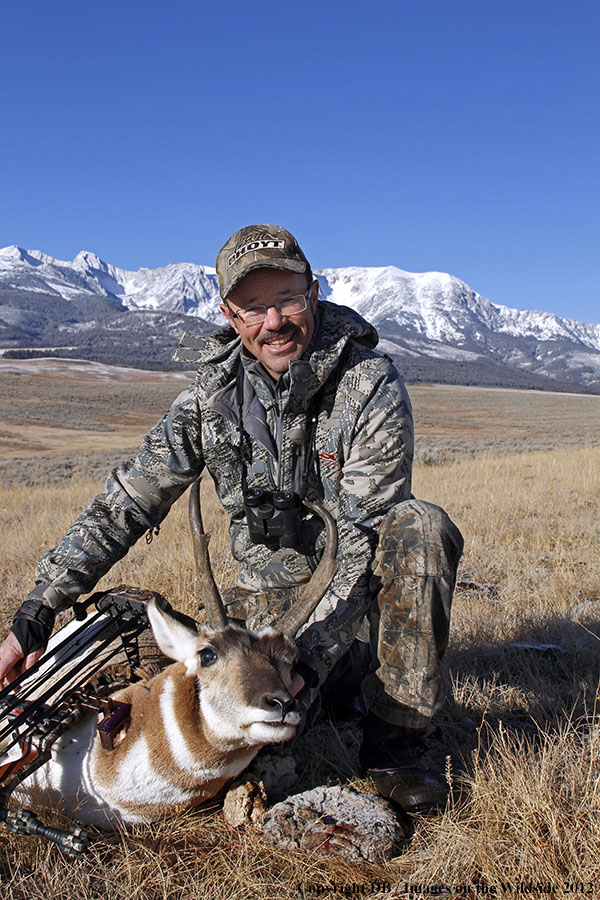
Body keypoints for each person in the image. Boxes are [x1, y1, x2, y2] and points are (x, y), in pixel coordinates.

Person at [0, 224, 463, 815]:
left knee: (419, 528)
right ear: (228, 313)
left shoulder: (368, 385)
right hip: (262, 622)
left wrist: (305, 665)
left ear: (314, 292)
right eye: (253, 307)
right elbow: (125, 503)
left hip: (347, 620)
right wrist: (38, 609)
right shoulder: (208, 400)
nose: (273, 321)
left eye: (288, 300)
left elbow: (361, 538)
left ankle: (396, 742)